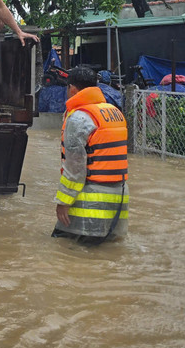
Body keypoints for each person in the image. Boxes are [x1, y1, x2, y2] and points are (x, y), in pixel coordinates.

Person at [53, 66, 129, 244]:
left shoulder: (79, 118)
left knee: (63, 248)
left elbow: (75, 167)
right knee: (106, 253)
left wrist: (63, 201)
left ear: (72, 89)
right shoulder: (114, 112)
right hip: (119, 200)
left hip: (90, 203)